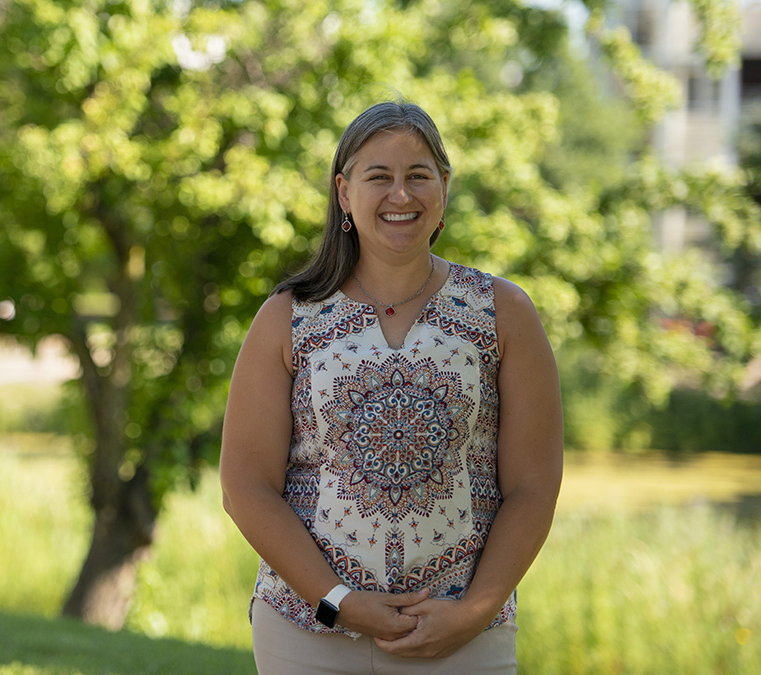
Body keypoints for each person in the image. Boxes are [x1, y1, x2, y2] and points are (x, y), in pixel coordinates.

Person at [219, 100, 563, 674]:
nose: (400, 196)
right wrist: (339, 603)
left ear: (444, 190)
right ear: (343, 193)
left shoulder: (503, 312)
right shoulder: (289, 317)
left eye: (418, 176)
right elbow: (246, 487)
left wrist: (475, 611)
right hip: (308, 636)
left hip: (461, 639)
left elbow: (533, 488)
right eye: (379, 177)